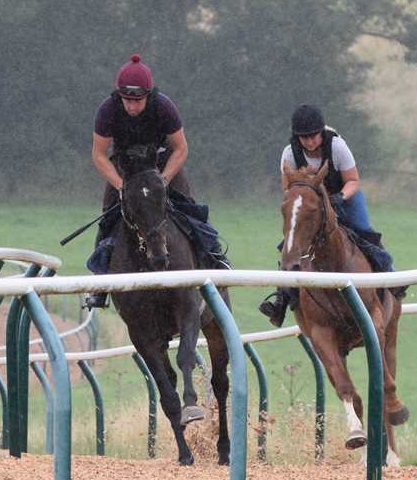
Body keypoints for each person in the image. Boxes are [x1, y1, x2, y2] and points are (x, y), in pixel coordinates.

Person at [81, 53, 227, 309]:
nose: (132, 106)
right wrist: (120, 186)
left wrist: (164, 179)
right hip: (125, 170)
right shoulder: (107, 110)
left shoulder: (163, 106)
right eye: (127, 100)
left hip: (162, 165)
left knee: (189, 209)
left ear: (148, 95)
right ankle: (100, 283)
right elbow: (98, 155)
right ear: (119, 96)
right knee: (109, 219)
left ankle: (214, 258)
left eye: (138, 101)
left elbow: (181, 148)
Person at [258, 103, 397, 327]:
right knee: (291, 244)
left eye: (313, 136)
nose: (310, 142)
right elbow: (289, 189)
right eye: (304, 138)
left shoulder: (337, 146)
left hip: (344, 196)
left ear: (321, 132)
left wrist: (339, 198)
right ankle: (282, 298)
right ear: (297, 137)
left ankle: (390, 277)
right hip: (312, 203)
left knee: (364, 232)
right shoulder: (289, 154)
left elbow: (353, 180)